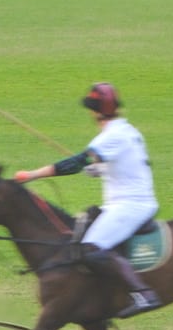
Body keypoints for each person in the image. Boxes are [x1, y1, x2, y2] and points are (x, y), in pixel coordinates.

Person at [12, 82, 159, 316]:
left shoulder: (110, 137)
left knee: (91, 249)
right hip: (131, 201)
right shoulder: (129, 130)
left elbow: (74, 164)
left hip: (130, 205)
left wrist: (31, 175)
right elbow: (131, 165)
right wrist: (100, 169)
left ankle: (143, 294)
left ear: (94, 111)